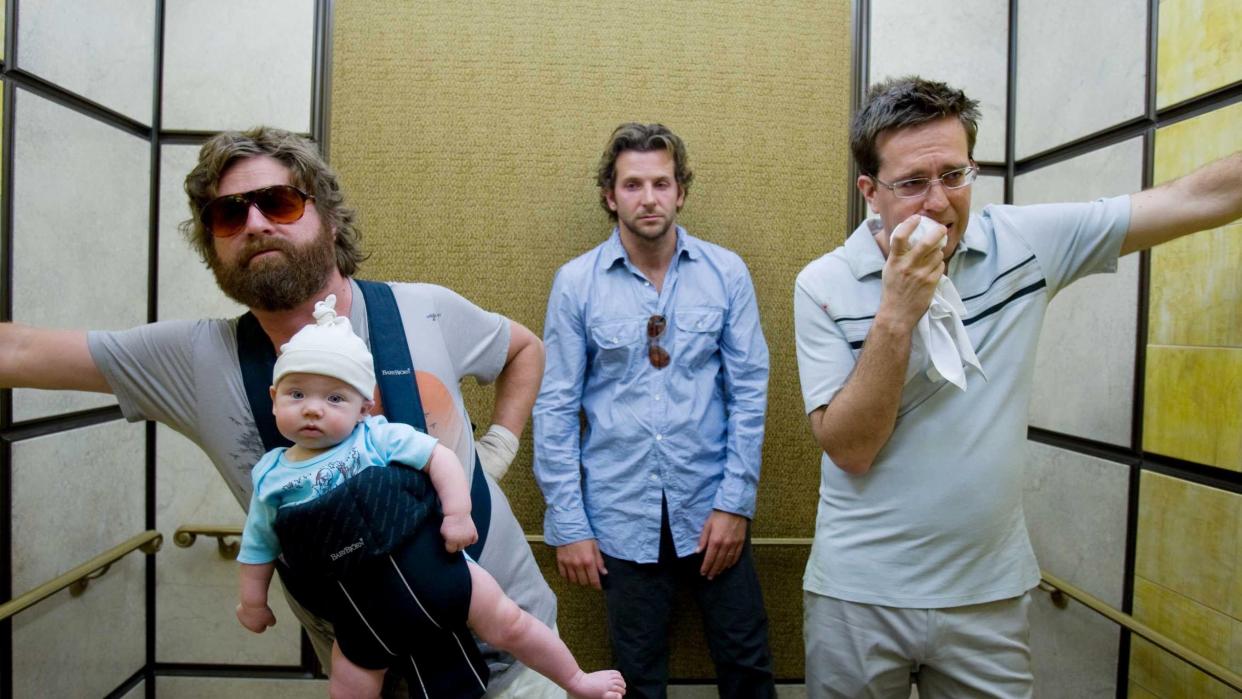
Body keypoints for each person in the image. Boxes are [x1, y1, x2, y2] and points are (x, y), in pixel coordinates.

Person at [0, 126, 561, 697]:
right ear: (212, 243)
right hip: (374, 678)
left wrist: (496, 450)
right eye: (228, 215)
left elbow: (524, 349)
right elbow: (16, 351)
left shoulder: (426, 309)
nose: (256, 224)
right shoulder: (195, 360)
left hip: (523, 655)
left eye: (279, 202)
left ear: (330, 219)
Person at [793, 75, 1242, 698]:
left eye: (954, 175)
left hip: (989, 594)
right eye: (912, 183)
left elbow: (1189, 202)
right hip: (859, 594)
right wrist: (897, 310)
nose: (938, 202)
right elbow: (850, 449)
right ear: (870, 191)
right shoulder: (823, 284)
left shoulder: (1021, 246)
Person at [236, 295, 625, 699]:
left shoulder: (378, 437)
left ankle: (577, 680)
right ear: (273, 397)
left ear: (364, 407)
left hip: (440, 571)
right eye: (297, 395)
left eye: (334, 398)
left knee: (513, 623)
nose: (313, 410)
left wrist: (458, 514)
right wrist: (252, 601)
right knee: (349, 684)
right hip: (361, 609)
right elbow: (258, 546)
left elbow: (439, 459)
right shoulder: (271, 476)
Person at [533, 122, 775, 698]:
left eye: (661, 183)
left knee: (748, 664)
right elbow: (556, 406)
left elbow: (750, 392)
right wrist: (568, 523)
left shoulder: (726, 273)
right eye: (633, 184)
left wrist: (736, 504)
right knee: (637, 677)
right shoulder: (576, 283)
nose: (648, 198)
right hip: (619, 515)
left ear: (681, 192)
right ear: (609, 195)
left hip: (713, 508)